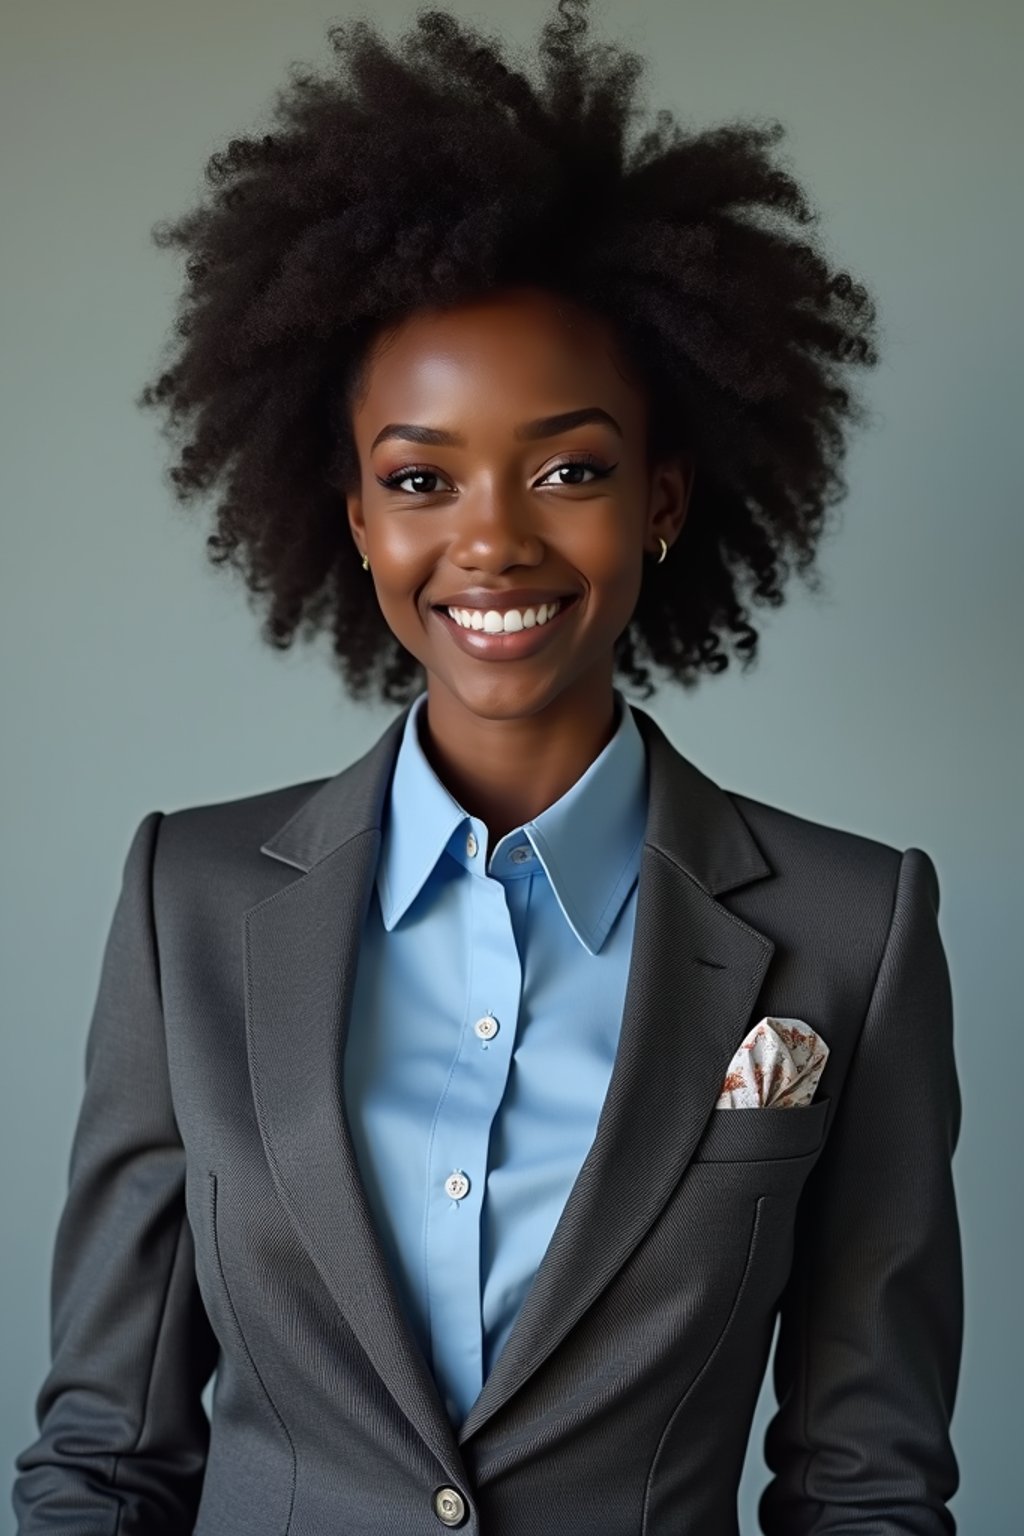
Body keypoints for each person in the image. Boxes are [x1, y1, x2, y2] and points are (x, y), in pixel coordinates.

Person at [12, 2, 962, 1532]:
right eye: (420, 478)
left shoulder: (857, 931)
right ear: (354, 521)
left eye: (571, 468)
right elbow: (107, 1457)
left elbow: (867, 1475)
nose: (495, 538)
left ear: (662, 500)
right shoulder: (183, 902)